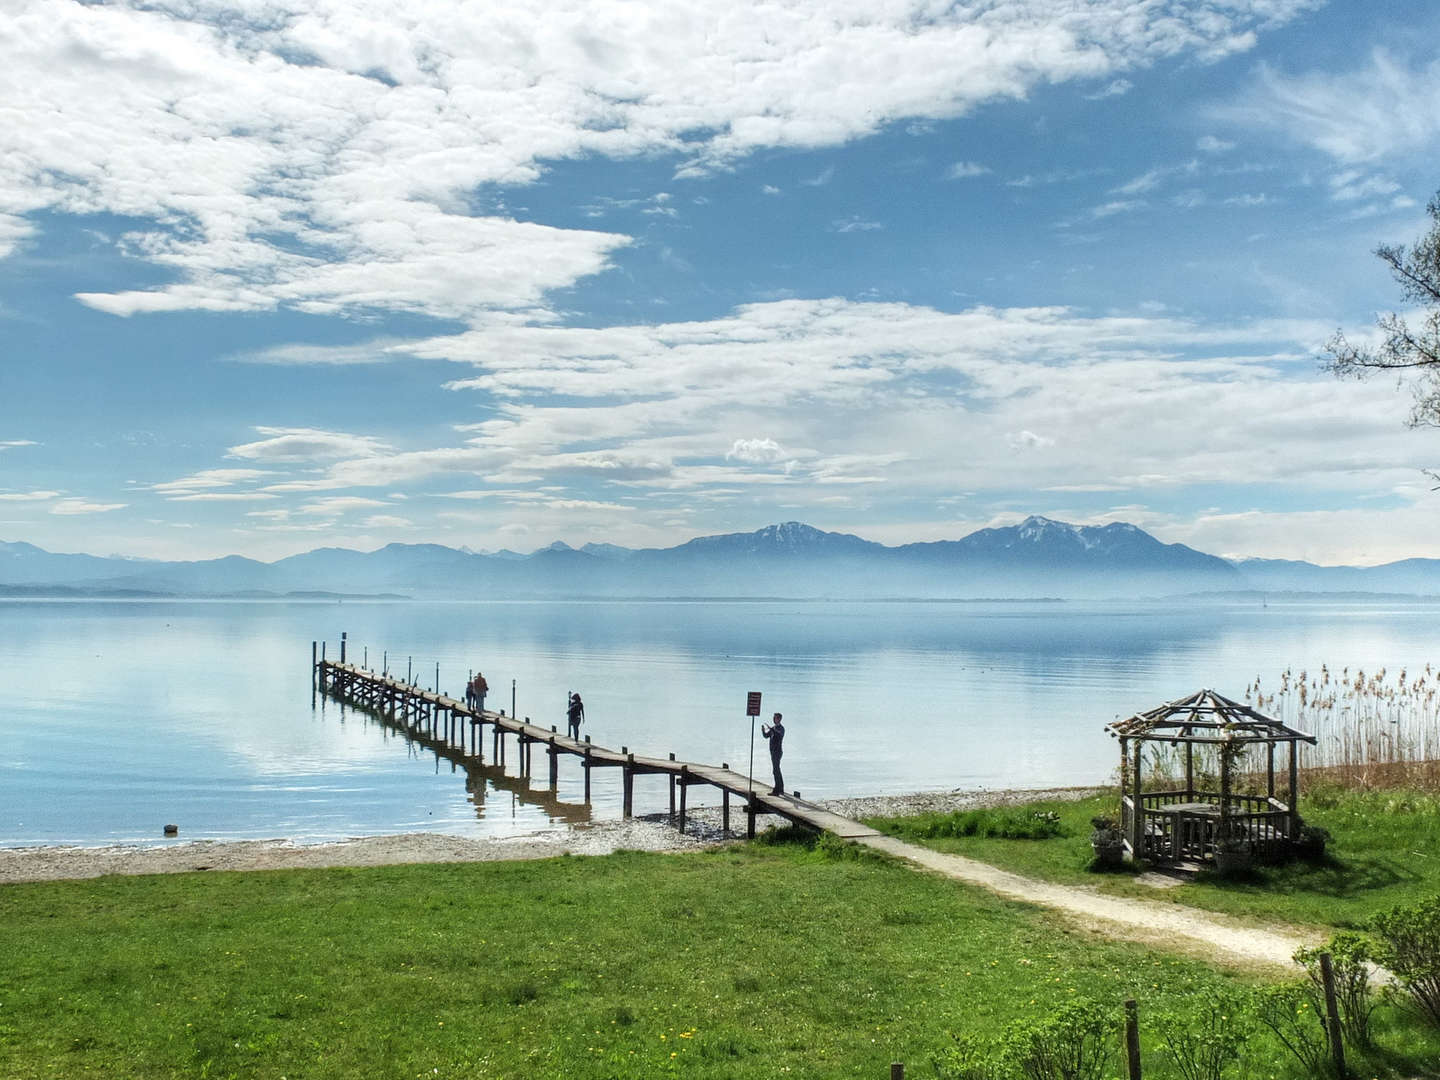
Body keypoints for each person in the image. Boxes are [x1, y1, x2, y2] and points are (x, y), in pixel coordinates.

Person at [760, 712, 785, 795]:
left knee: (775, 770)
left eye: (776, 718)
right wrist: (763, 731)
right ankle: (780, 789)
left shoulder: (781, 728)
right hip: (773, 752)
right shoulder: (773, 728)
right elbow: (766, 736)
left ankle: (776, 790)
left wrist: (772, 729)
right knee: (776, 770)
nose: (774, 719)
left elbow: (779, 735)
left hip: (777, 752)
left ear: (779, 719)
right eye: (774, 718)